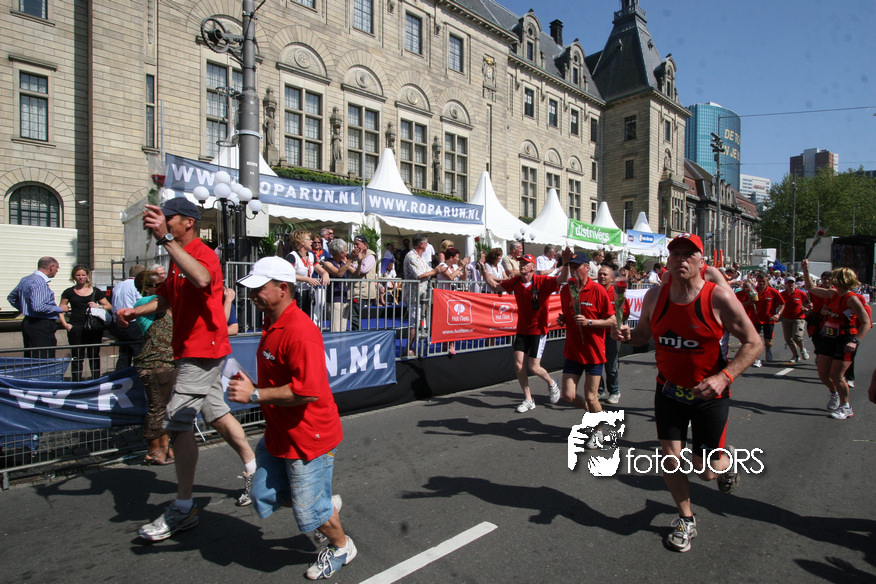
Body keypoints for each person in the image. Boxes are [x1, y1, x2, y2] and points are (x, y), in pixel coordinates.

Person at [117, 197, 257, 541]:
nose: (163, 223)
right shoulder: (176, 256)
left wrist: (165, 240)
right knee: (217, 415)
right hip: (191, 351)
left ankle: (183, 508)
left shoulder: (200, 253)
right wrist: (135, 311)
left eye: (169, 219)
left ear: (188, 222)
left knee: (177, 422)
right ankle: (255, 470)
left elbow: (202, 278)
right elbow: (164, 298)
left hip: (202, 351)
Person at [614, 233, 762, 553]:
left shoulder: (718, 297)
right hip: (669, 391)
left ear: (700, 261)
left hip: (709, 394)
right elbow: (642, 335)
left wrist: (725, 376)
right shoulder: (655, 296)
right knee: (670, 458)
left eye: (688, 254)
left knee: (706, 472)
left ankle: (726, 460)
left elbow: (753, 343)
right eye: (676, 254)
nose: (681, 259)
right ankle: (686, 518)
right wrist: (627, 336)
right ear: (667, 261)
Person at [228, 257, 355, 580]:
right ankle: (323, 506)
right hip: (280, 433)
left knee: (310, 511)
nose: (251, 295)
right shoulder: (273, 323)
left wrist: (255, 394)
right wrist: (252, 387)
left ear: (282, 289)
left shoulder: (299, 331)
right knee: (263, 495)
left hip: (309, 437)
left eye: (259, 288)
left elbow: (308, 391)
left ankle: (341, 546)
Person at [556, 251, 615, 446]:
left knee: (591, 396)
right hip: (573, 350)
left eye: (577, 266)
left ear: (587, 268)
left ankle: (597, 430)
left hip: (593, 352)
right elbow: (568, 314)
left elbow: (612, 320)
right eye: (571, 266)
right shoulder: (567, 290)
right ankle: (595, 414)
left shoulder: (597, 290)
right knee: (568, 395)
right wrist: (563, 319)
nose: (573, 270)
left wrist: (590, 322)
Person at [802, 259, 871, 419]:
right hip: (829, 336)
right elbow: (811, 288)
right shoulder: (833, 294)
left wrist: (855, 341)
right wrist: (806, 270)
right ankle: (834, 394)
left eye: (834, 278)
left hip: (845, 339)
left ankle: (846, 406)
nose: (831, 280)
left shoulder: (851, 299)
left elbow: (866, 322)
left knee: (836, 375)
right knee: (822, 372)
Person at [499, 254, 561, 412]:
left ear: (533, 267)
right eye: (520, 262)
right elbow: (495, 287)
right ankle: (528, 399)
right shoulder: (516, 281)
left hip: (538, 330)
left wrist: (565, 264)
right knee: (518, 364)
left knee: (533, 367)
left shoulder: (542, 281)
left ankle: (552, 383)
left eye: (525, 263)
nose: (521, 265)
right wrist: (483, 270)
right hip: (522, 329)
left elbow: (561, 280)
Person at [133, 270, 175, 466]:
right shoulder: (144, 303)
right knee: (157, 408)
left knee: (167, 408)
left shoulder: (164, 304)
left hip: (169, 361)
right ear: (146, 288)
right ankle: (153, 449)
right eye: (158, 285)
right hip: (154, 363)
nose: (162, 288)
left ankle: (165, 445)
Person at [7, 256, 68, 359]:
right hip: (41, 325)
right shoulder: (39, 282)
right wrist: (60, 309)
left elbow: (12, 298)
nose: (57, 271)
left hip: (29, 322)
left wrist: (26, 309)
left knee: (31, 357)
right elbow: (39, 307)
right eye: (57, 268)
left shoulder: (26, 279)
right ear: (51, 267)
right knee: (43, 358)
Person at [59, 265, 112, 381]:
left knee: (94, 354)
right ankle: (76, 381)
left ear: (88, 276)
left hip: (93, 327)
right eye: (78, 275)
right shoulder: (68, 292)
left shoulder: (96, 291)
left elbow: (109, 306)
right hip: (75, 327)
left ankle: (96, 380)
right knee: (77, 356)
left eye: (83, 275)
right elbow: (61, 309)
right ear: (74, 276)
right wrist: (65, 324)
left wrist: (98, 306)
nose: (81, 277)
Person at [403, 234, 448, 356]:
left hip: (422, 296)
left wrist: (439, 268)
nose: (428, 246)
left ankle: (415, 348)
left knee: (420, 322)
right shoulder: (411, 257)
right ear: (421, 244)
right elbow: (420, 275)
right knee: (414, 323)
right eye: (427, 243)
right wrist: (436, 271)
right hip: (414, 296)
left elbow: (428, 270)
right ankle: (408, 348)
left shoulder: (420, 258)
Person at [735, 271, 784, 367]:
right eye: (760, 281)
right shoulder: (752, 291)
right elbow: (741, 304)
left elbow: (782, 304)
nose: (761, 283)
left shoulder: (773, 292)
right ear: (757, 280)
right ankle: (757, 359)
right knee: (755, 341)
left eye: (763, 281)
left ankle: (768, 349)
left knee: (768, 342)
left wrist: (778, 314)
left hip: (768, 320)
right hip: (755, 320)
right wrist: (749, 301)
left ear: (767, 281)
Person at [596, 265, 629, 404]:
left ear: (611, 278)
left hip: (611, 335)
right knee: (596, 365)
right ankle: (599, 390)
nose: (602, 277)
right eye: (600, 274)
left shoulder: (617, 293)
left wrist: (617, 323)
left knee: (611, 367)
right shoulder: (594, 290)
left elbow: (625, 313)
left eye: (605, 274)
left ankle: (614, 391)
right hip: (596, 335)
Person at [285, 229, 330, 324]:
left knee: (306, 319)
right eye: (309, 239)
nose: (312, 241)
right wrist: (306, 279)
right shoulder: (292, 256)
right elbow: (288, 274)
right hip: (295, 292)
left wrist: (325, 274)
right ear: (301, 242)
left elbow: (320, 269)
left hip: (307, 292)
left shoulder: (311, 255)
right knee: (295, 320)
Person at [111, 264, 145, 370]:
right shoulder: (136, 286)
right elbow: (141, 302)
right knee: (138, 352)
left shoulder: (118, 285)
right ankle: (139, 375)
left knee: (124, 353)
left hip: (118, 322)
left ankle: (121, 376)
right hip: (133, 323)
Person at [322, 238, 354, 331]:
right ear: (337, 252)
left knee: (343, 329)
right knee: (336, 328)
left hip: (344, 297)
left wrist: (359, 262)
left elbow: (356, 272)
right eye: (345, 251)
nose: (346, 253)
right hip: (334, 299)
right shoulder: (328, 263)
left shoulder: (343, 263)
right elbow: (339, 273)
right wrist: (350, 260)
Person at [348, 234, 378, 331]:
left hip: (363, 291)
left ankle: (357, 333)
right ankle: (355, 332)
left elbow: (364, 269)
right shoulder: (355, 255)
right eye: (354, 244)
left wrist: (352, 265)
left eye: (357, 244)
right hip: (355, 290)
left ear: (364, 244)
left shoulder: (371, 255)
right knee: (353, 314)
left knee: (354, 315)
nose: (355, 246)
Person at [779, 276, 810, 363]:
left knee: (797, 336)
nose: (791, 284)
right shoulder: (782, 294)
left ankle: (803, 349)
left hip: (798, 318)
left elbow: (809, 303)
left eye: (792, 282)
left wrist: (806, 308)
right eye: (789, 282)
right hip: (786, 318)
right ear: (785, 284)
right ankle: (795, 355)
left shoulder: (801, 293)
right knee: (788, 339)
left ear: (795, 283)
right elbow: (778, 303)